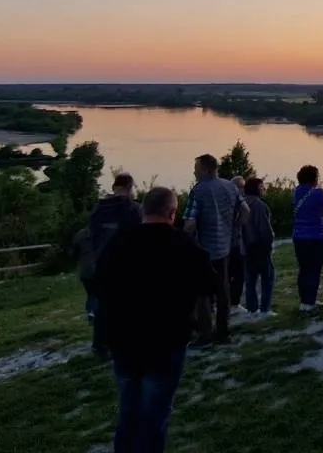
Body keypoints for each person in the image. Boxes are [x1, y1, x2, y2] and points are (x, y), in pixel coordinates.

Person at [94, 187, 215, 453]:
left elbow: (100, 288)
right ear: (172, 213)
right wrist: (203, 326)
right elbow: (208, 287)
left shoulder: (119, 242)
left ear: (143, 211)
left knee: (129, 410)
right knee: (155, 415)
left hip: (124, 342)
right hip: (167, 344)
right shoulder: (185, 246)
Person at [183, 155, 248, 346]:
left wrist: (183, 237)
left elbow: (190, 224)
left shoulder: (199, 190)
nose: (194, 171)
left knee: (202, 294)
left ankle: (205, 334)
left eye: (196, 168)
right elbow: (246, 212)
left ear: (205, 169)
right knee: (223, 292)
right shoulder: (230, 186)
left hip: (203, 250)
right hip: (225, 248)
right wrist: (233, 227)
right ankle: (223, 332)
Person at [84, 172, 143, 359]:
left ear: (114, 187)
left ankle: (100, 346)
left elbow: (91, 235)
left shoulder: (99, 209)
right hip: (126, 264)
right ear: (130, 188)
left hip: (102, 263)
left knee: (103, 307)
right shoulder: (134, 209)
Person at [292, 165, 323, 311]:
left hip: (299, 236)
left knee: (303, 268)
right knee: (315, 268)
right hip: (316, 235)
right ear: (314, 178)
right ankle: (311, 301)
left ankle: (304, 301)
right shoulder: (318, 193)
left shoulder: (296, 192)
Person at [242, 177, 276, 318]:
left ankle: (252, 309)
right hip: (260, 246)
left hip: (246, 246)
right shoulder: (259, 205)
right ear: (256, 189)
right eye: (261, 187)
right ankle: (265, 309)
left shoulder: (242, 203)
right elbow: (264, 229)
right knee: (268, 277)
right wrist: (269, 245)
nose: (264, 189)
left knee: (250, 280)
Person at [227, 176, 247, 316]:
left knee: (226, 276)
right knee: (238, 275)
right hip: (234, 243)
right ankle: (234, 304)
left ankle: (225, 303)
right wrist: (239, 223)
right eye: (241, 187)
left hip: (223, 244)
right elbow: (246, 212)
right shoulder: (237, 201)